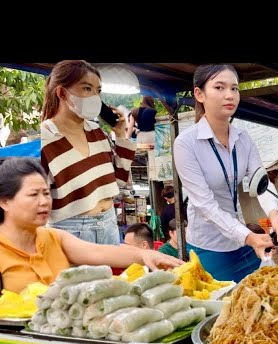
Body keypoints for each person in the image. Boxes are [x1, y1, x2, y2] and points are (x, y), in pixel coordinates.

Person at [172, 64, 278, 283]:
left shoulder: (243, 138)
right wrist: (248, 237)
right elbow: (205, 205)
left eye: (234, 89)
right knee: (220, 311)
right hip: (208, 247)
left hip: (244, 242)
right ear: (199, 94)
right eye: (219, 87)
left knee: (257, 302)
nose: (229, 95)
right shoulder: (185, 144)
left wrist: (275, 216)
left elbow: (261, 182)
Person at [0, 157, 182, 294]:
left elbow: (99, 252)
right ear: (4, 202)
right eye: (33, 195)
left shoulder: (53, 237)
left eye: (46, 193)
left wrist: (146, 255)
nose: (44, 202)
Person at [40, 60, 135, 246]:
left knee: (112, 276)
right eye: (86, 89)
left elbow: (120, 180)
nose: (94, 97)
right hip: (69, 232)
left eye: (98, 91)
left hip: (109, 223)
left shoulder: (97, 132)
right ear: (61, 93)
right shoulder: (45, 139)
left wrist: (120, 134)